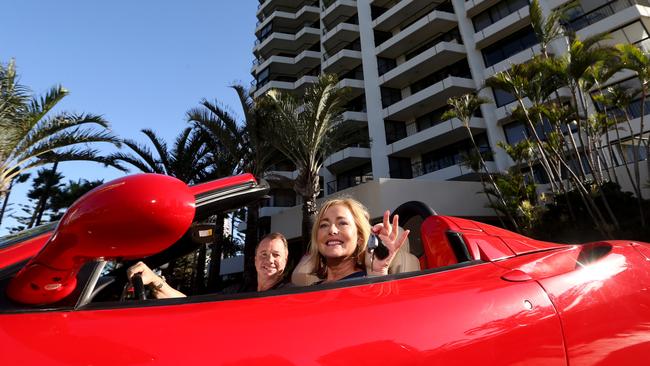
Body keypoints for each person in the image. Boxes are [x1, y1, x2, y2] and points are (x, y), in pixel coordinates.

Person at [126, 232, 290, 298]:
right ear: (255, 260)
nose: (269, 260)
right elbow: (194, 305)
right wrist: (156, 282)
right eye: (263, 254)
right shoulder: (240, 292)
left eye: (276, 255)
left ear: (285, 260)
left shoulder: (291, 295)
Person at [305, 197, 409, 283]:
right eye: (324, 225)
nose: (332, 230)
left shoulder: (367, 282)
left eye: (342, 223)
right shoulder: (312, 288)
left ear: (360, 238)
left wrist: (377, 273)